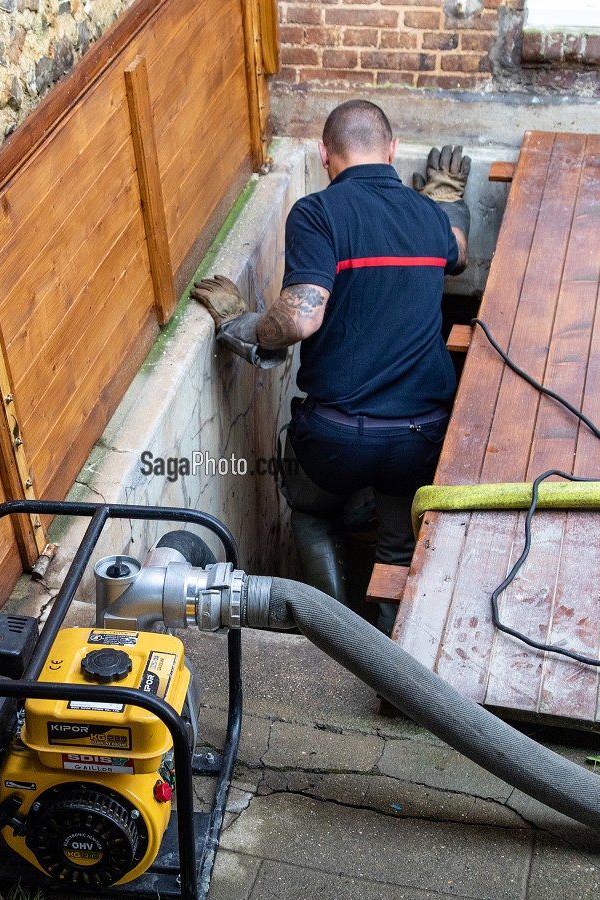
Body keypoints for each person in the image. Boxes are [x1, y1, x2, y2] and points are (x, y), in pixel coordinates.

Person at [194, 99, 471, 635]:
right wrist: (445, 200)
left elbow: (300, 319)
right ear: (392, 151)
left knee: (312, 509)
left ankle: (332, 635)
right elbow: (459, 250)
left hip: (334, 441)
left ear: (325, 155)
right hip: (418, 438)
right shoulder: (427, 215)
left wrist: (241, 325)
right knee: (399, 540)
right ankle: (394, 653)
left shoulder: (317, 212)